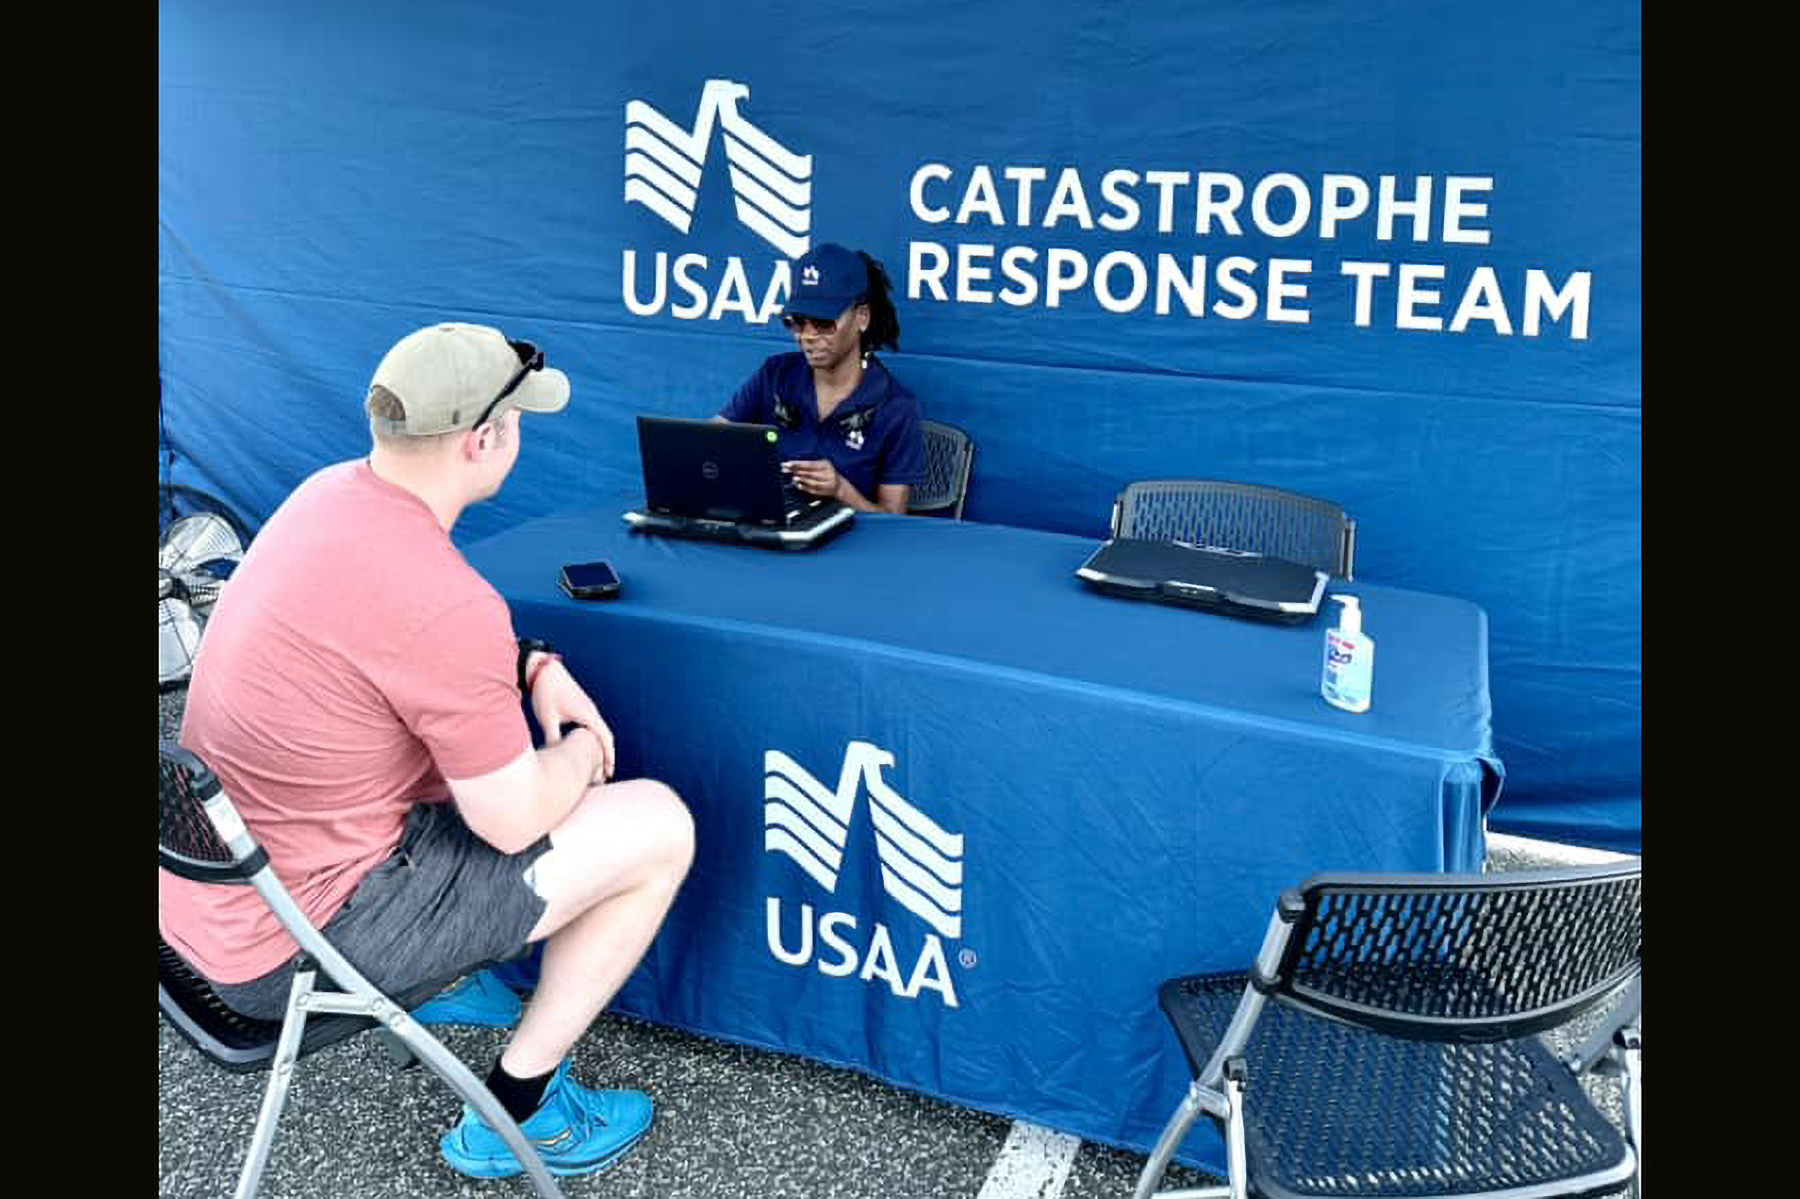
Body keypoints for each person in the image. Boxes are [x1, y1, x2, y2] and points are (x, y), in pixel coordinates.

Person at [158, 322, 696, 1181]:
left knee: (428, 764)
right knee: (659, 825)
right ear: (485, 439)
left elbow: (394, 644)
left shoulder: (326, 494)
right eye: (518, 419)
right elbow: (515, 816)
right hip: (288, 947)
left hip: (203, 907)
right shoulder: (440, 596)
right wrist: (584, 750)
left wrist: (530, 661)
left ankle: (443, 983)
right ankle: (521, 1110)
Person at [717, 242, 926, 513]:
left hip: (852, 545)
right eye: (798, 321)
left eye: (824, 322)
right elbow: (712, 441)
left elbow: (894, 522)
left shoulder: (897, 407)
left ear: (862, 317)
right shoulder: (775, 374)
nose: (808, 335)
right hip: (770, 533)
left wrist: (841, 490)